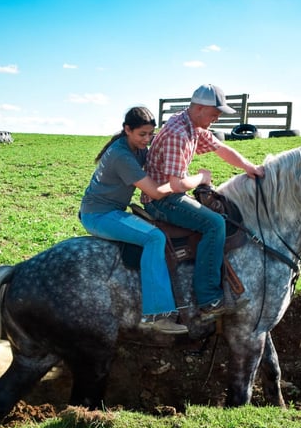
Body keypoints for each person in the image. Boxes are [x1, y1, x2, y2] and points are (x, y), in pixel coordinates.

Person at [141, 84, 264, 321]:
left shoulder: (193, 126)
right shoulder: (178, 133)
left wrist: (248, 167)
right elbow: (176, 184)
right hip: (163, 200)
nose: (216, 120)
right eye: (214, 114)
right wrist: (202, 178)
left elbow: (221, 148)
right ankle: (209, 298)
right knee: (215, 224)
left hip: (172, 194)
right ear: (199, 108)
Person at [79, 106, 187, 334]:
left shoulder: (137, 149)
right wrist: (185, 183)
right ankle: (157, 314)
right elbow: (156, 191)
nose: (147, 140)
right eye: (142, 134)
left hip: (111, 211)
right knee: (155, 238)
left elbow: (157, 166)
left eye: (151, 134)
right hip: (99, 215)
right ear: (127, 129)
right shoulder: (122, 155)